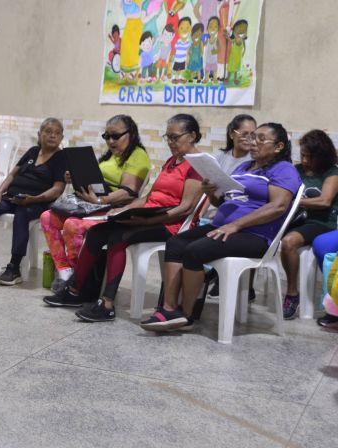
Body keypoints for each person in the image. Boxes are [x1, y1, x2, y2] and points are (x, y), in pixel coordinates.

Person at [44, 114, 205, 323]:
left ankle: (107, 304)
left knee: (119, 236)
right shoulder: (172, 161)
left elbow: (185, 208)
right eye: (168, 138)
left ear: (192, 136)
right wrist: (125, 210)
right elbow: (149, 197)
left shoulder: (198, 164)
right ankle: (75, 291)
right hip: (149, 214)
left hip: (170, 224)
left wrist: (147, 221)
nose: (171, 143)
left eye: (175, 138)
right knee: (96, 232)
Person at [142, 122, 301, 332]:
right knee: (175, 242)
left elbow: (278, 206)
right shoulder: (244, 167)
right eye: (252, 137)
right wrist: (210, 192)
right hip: (223, 227)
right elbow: (223, 202)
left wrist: (235, 225)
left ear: (279, 146)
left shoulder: (284, 169)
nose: (253, 143)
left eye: (260, 139)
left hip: (254, 235)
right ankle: (169, 307)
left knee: (195, 251)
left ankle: (186, 314)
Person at [40, 114, 151, 293]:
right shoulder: (109, 156)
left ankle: (80, 278)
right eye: (107, 136)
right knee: (47, 217)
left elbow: (129, 192)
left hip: (112, 210)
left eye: (115, 136)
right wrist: (75, 177)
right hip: (91, 205)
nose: (111, 141)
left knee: (72, 225)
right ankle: (65, 272)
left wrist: (100, 200)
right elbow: (94, 180)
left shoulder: (138, 156)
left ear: (131, 134)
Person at [0, 117, 66, 285]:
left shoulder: (62, 158)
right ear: (39, 134)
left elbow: (57, 189)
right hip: (13, 197)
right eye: (48, 132)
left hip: (38, 203)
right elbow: (12, 174)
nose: (52, 136)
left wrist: (34, 199)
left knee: (22, 215)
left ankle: (14, 267)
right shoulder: (33, 151)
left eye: (57, 133)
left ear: (61, 138)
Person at [278, 130, 338, 319]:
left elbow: (324, 201)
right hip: (295, 219)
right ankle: (247, 290)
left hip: (321, 222)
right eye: (302, 155)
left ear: (322, 156)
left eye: (309, 156)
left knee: (289, 242)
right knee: (256, 233)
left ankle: (292, 293)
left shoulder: (332, 173)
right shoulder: (296, 170)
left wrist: (292, 201)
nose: (304, 160)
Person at [202, 114, 257, 300]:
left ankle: (240, 284)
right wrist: (209, 191)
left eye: (253, 134)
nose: (250, 139)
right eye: (245, 133)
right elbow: (215, 197)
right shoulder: (220, 156)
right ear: (232, 134)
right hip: (221, 208)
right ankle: (210, 274)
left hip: (244, 213)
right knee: (198, 228)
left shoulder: (254, 161)